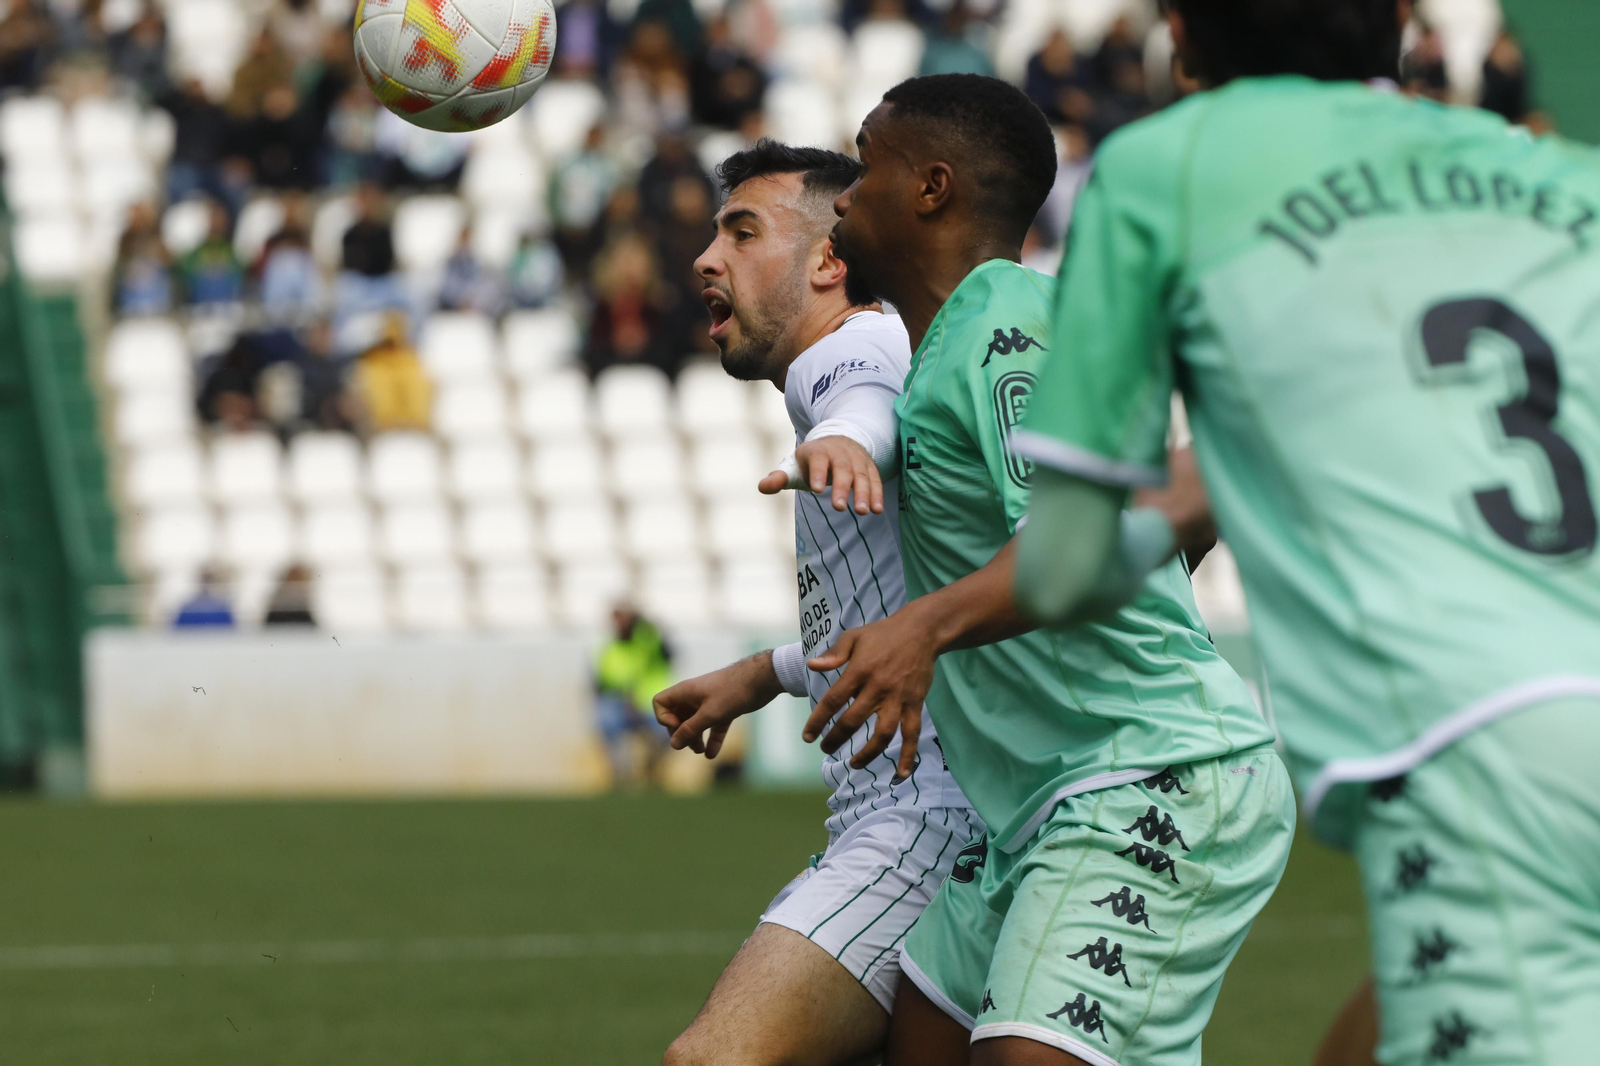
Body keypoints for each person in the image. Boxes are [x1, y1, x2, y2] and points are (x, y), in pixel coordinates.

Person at [1008, 3, 1600, 1065]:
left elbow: (1055, 571)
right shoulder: (1551, 168)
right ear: (1404, 29)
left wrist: (1202, 495)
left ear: (1181, 37)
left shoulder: (1163, 167)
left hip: (1473, 749)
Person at [821, 74, 1293, 1066]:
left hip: (1149, 770)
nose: (843, 194)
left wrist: (923, 628)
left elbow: (1066, 543)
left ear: (931, 186)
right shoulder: (959, 346)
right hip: (1039, 805)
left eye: (865, 164)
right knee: (921, 1044)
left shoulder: (1008, 321)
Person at [653, 140, 977, 1066]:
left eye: (741, 231)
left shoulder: (852, 348)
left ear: (829, 262)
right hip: (919, 808)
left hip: (926, 816)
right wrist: (764, 672)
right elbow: (899, 614)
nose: (706, 259)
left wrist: (844, 440)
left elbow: (863, 397)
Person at [594, 603, 672, 787]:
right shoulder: (608, 650)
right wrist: (625, 699)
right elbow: (601, 684)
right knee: (606, 720)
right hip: (622, 706)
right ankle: (620, 774)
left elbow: (666, 651)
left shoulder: (648, 642)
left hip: (651, 704)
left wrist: (642, 622)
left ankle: (652, 772)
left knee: (668, 731)